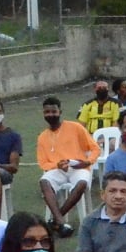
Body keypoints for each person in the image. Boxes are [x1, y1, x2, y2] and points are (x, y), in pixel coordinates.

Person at [35, 96, 101, 236]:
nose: (50, 115)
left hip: (79, 167)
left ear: (60, 112)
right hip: (57, 170)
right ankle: (60, 221)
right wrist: (57, 165)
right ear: (43, 114)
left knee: (82, 183)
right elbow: (43, 163)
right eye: (47, 112)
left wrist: (87, 162)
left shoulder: (75, 127)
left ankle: (55, 220)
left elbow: (95, 148)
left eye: (54, 111)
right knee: (44, 181)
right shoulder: (42, 136)